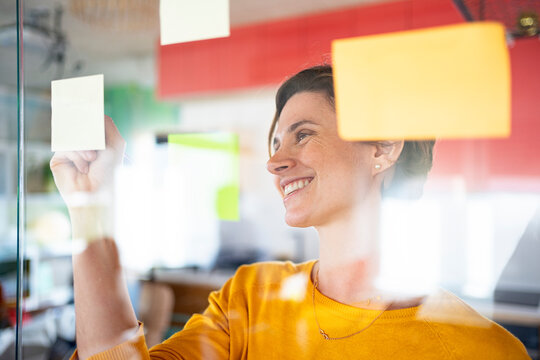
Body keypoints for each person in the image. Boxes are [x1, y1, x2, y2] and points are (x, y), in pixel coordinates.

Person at [50, 65, 529, 359]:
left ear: (383, 148)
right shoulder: (250, 299)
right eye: (276, 142)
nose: (274, 162)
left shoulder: (482, 350)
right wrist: (90, 204)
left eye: (303, 134)